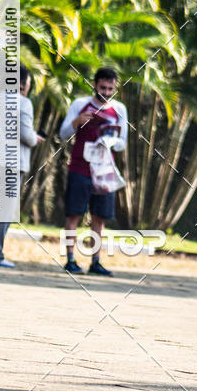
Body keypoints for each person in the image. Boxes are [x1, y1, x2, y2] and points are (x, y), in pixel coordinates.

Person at [59, 67, 128, 276]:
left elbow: (122, 144)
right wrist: (77, 122)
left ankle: (95, 261)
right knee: (74, 214)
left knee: (100, 217)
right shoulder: (80, 105)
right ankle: (70, 259)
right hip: (80, 167)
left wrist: (110, 138)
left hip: (104, 171)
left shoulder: (119, 110)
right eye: (102, 88)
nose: (106, 92)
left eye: (110, 89)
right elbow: (63, 133)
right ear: (94, 85)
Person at [0, 65, 45, 267]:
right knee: (5, 210)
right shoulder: (24, 103)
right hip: (12, 163)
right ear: (22, 84)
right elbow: (26, 134)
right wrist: (35, 139)